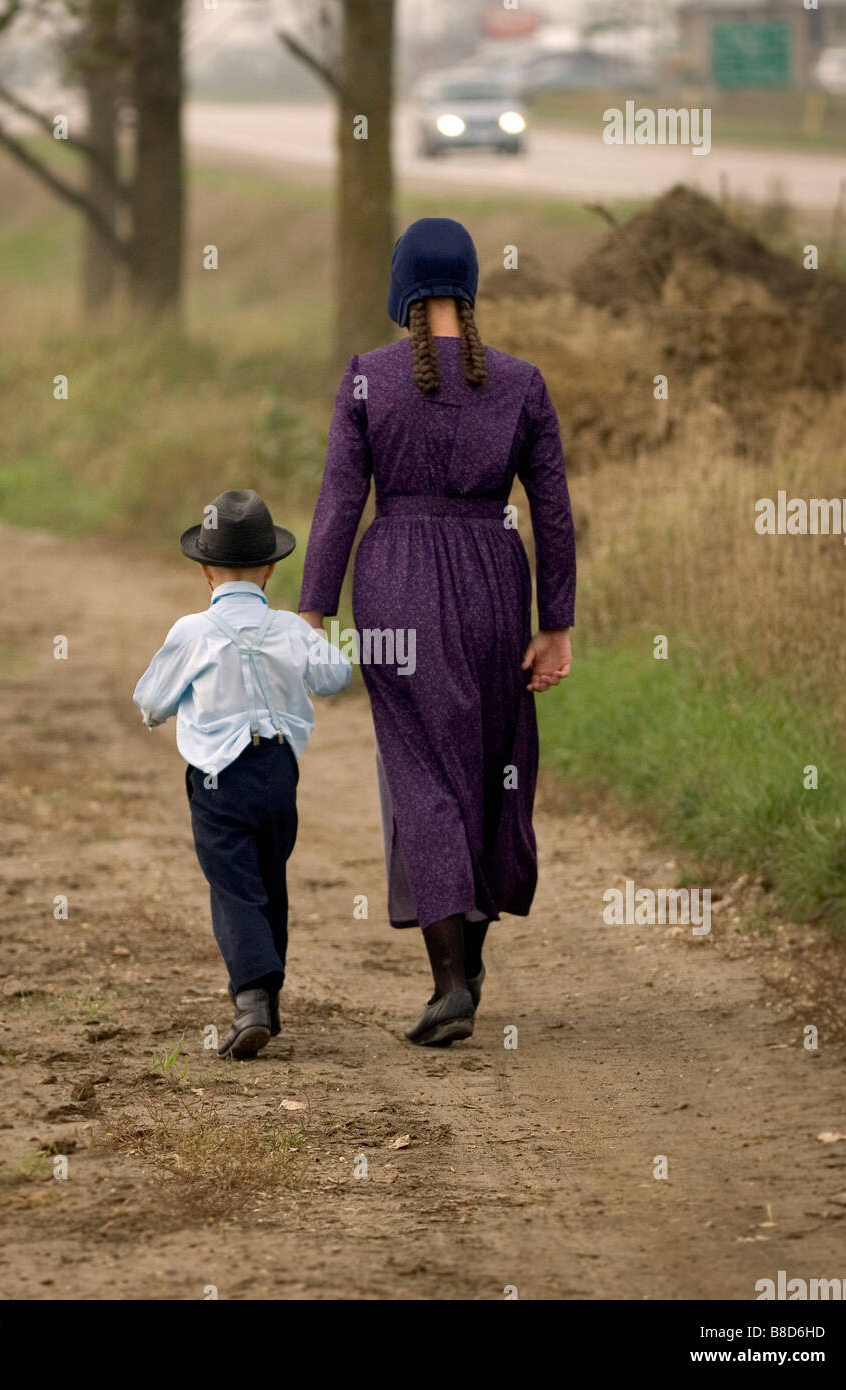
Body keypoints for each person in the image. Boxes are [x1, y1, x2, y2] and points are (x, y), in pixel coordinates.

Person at [298, 218, 575, 1047]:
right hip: (496, 577)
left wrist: (315, 611)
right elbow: (553, 511)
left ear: (401, 288)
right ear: (470, 285)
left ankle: (450, 981)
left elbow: (341, 500)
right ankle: (475, 960)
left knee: (421, 776)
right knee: (493, 765)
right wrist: (555, 625)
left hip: (397, 588)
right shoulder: (522, 382)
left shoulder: (367, 379)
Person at [134, 489, 352, 1058]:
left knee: (234, 886)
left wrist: (184, 702)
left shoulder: (191, 631)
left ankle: (252, 999)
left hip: (216, 777)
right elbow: (334, 678)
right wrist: (304, 637)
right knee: (267, 877)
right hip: (279, 771)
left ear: (205, 570)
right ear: (271, 569)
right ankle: (269, 1002)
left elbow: (152, 703)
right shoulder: (290, 629)